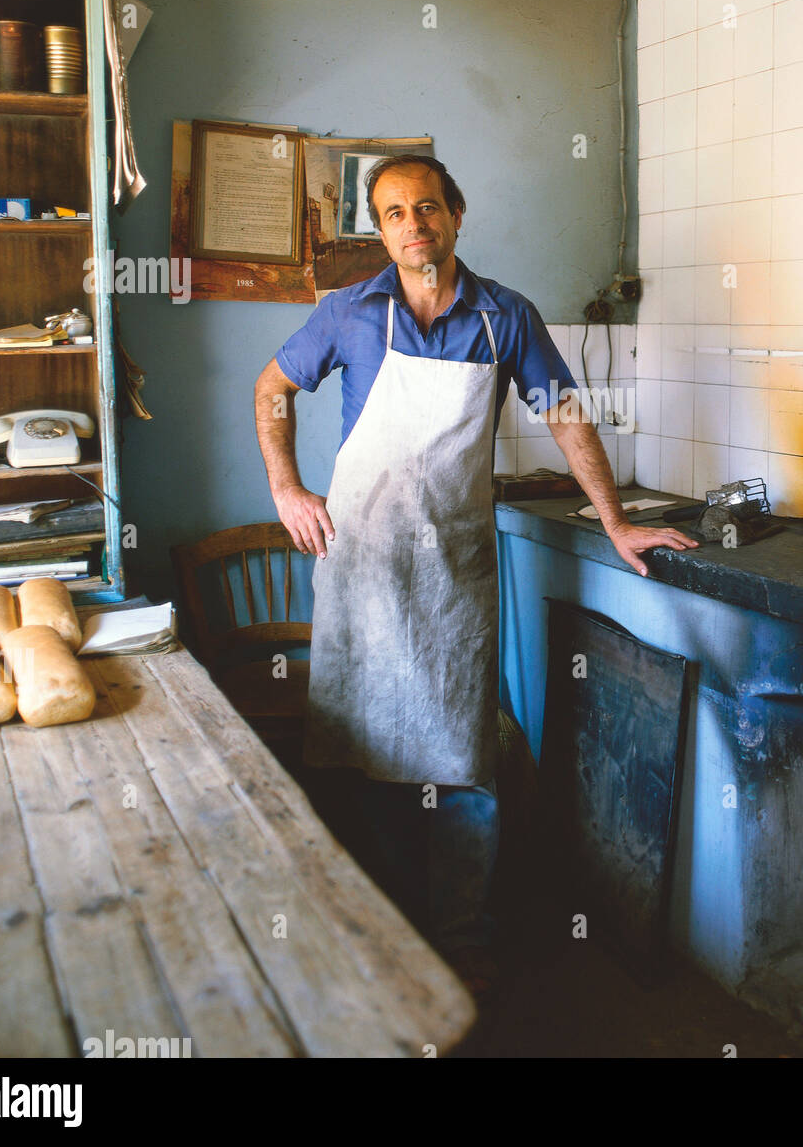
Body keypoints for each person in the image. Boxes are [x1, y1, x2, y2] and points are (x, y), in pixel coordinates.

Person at [253, 153, 696, 996]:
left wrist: (615, 520)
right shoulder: (348, 314)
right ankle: (385, 932)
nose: (413, 225)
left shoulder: (506, 317)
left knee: (462, 758)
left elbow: (566, 417)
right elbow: (272, 387)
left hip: (453, 566)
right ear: (378, 229)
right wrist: (285, 487)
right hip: (364, 565)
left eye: (427, 208)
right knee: (366, 753)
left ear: (456, 215)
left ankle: (463, 937)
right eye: (393, 214)